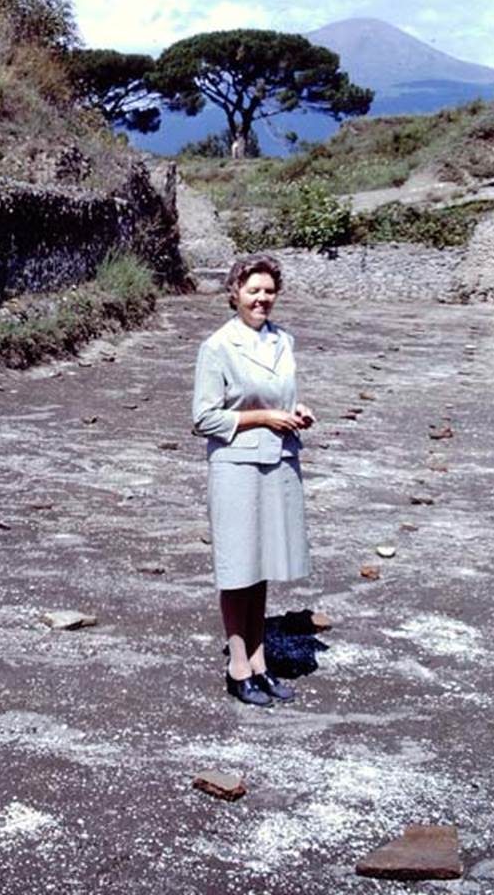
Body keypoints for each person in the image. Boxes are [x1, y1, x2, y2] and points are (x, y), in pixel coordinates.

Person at [192, 254, 314, 706]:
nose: (262, 298)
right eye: (253, 290)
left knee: (262, 566)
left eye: (268, 290)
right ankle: (237, 665)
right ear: (234, 294)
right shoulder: (218, 347)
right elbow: (204, 417)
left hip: (280, 459)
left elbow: (286, 395)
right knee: (237, 566)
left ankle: (261, 663)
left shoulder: (284, 341)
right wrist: (263, 417)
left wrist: (298, 412)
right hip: (236, 465)